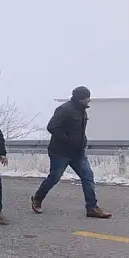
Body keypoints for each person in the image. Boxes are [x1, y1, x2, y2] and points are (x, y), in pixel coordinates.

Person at [31, 86, 111, 218]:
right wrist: (67, 140)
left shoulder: (82, 111)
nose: (89, 100)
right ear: (81, 99)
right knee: (54, 178)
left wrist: (82, 141)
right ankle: (37, 199)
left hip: (78, 153)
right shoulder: (64, 109)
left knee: (88, 177)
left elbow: (79, 130)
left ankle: (92, 208)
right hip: (60, 152)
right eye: (87, 98)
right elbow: (51, 127)